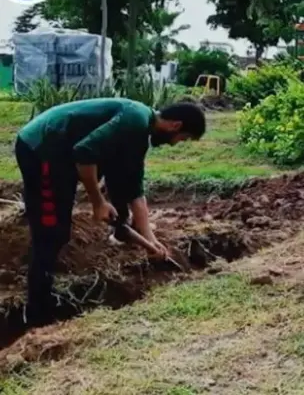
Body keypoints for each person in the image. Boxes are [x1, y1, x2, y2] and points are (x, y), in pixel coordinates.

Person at [15, 98, 206, 325]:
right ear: (176, 125)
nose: (175, 144)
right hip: (41, 148)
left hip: (61, 152)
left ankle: (117, 231)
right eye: (182, 138)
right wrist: (98, 202)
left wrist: (151, 241)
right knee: (52, 232)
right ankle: (38, 314)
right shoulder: (135, 120)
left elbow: (135, 189)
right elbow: (84, 153)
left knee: (119, 178)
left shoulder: (139, 133)